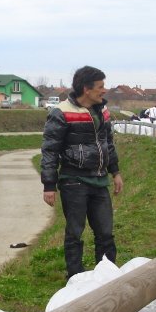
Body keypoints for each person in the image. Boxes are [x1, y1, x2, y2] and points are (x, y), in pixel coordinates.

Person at [41, 66, 124, 279]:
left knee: (105, 233)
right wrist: (49, 185)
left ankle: (106, 278)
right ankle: (75, 279)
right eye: (100, 86)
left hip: (99, 180)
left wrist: (115, 172)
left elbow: (108, 144)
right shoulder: (61, 112)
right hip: (73, 181)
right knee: (75, 233)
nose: (104, 90)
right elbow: (50, 150)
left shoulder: (103, 112)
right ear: (87, 89)